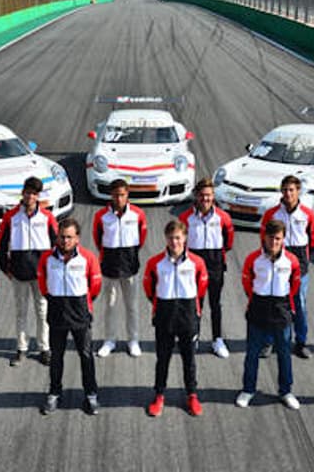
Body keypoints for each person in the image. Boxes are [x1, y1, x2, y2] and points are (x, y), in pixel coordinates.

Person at [143, 220, 208, 417]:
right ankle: (159, 395)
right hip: (164, 314)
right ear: (166, 239)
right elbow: (149, 289)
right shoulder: (155, 263)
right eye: (171, 238)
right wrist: (160, 304)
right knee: (162, 358)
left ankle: (192, 395)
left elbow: (201, 288)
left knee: (189, 358)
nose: (174, 242)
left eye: (178, 238)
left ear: (185, 238)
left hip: (188, 315)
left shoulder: (197, 262)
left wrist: (193, 310)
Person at [38, 218, 102, 416]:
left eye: (69, 237)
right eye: (62, 237)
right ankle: (54, 393)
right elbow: (42, 282)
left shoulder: (88, 258)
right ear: (57, 237)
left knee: (85, 355)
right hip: (56, 313)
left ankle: (91, 394)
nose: (65, 241)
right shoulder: (46, 258)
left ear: (77, 239)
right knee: (57, 356)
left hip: (80, 313)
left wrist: (83, 303)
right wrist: (53, 298)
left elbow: (95, 285)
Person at [235, 219, 301, 411]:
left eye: (278, 239)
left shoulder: (292, 261)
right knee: (252, 353)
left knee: (284, 354)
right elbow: (247, 283)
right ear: (264, 237)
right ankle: (248, 390)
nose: (274, 242)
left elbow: (294, 285)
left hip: (281, 310)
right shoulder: (253, 259)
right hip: (258, 307)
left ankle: (286, 391)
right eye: (271, 238)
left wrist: (285, 303)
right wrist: (256, 297)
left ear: (283, 239)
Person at [0, 176, 58, 367]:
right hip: (19, 273)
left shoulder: (47, 217)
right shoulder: (11, 217)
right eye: (28, 192)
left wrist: (53, 270)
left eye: (34, 193)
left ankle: (44, 348)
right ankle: (21, 349)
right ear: (22, 193)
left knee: (43, 312)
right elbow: (1, 244)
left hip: (41, 275)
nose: (30, 196)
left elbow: (57, 244)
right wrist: (5, 268)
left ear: (38, 196)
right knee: (21, 312)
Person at [261, 175, 314, 359]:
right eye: (285, 190)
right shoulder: (272, 214)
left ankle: (300, 342)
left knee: (299, 304)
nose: (288, 193)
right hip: (277, 263)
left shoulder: (308, 214)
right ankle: (269, 341)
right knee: (273, 303)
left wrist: (304, 259)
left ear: (298, 191)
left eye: (292, 190)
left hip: (300, 265)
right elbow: (264, 238)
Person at [179, 178, 234, 358]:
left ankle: (217, 339)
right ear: (196, 196)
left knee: (215, 304)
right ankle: (193, 337)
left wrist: (218, 255)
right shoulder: (185, 218)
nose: (205, 199)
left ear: (213, 196)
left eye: (209, 195)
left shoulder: (223, 218)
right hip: (193, 266)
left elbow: (228, 241)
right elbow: (179, 243)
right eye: (202, 195)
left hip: (215, 264)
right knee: (194, 304)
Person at [93, 179, 147, 357]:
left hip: (130, 267)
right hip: (109, 268)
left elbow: (142, 237)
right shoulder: (101, 216)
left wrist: (131, 255)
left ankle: (133, 340)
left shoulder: (138, 215)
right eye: (115, 195)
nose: (119, 198)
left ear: (127, 195)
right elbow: (97, 238)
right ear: (111, 195)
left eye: (122, 195)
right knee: (110, 306)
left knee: (131, 306)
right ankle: (110, 340)